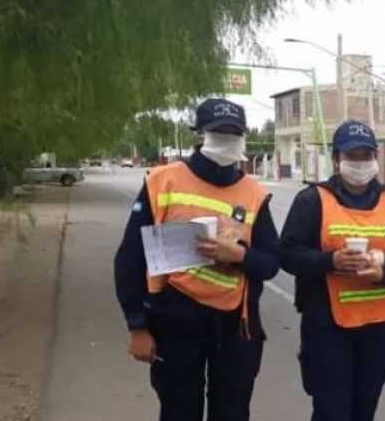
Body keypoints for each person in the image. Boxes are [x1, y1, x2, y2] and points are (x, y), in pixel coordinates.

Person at [114, 98, 280, 421]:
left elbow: (272, 262)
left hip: (235, 329)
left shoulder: (254, 194)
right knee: (179, 412)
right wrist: (138, 326)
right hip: (174, 321)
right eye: (219, 134)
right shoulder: (162, 182)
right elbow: (129, 260)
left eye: (234, 134)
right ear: (200, 134)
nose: (227, 141)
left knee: (232, 413)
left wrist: (241, 255)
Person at [280, 120, 385, 421]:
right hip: (327, 328)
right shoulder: (312, 200)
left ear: (375, 158)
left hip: (379, 328)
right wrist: (331, 261)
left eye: (366, 155)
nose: (360, 163)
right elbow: (287, 255)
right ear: (336, 159)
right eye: (352, 156)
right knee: (331, 412)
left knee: (364, 410)